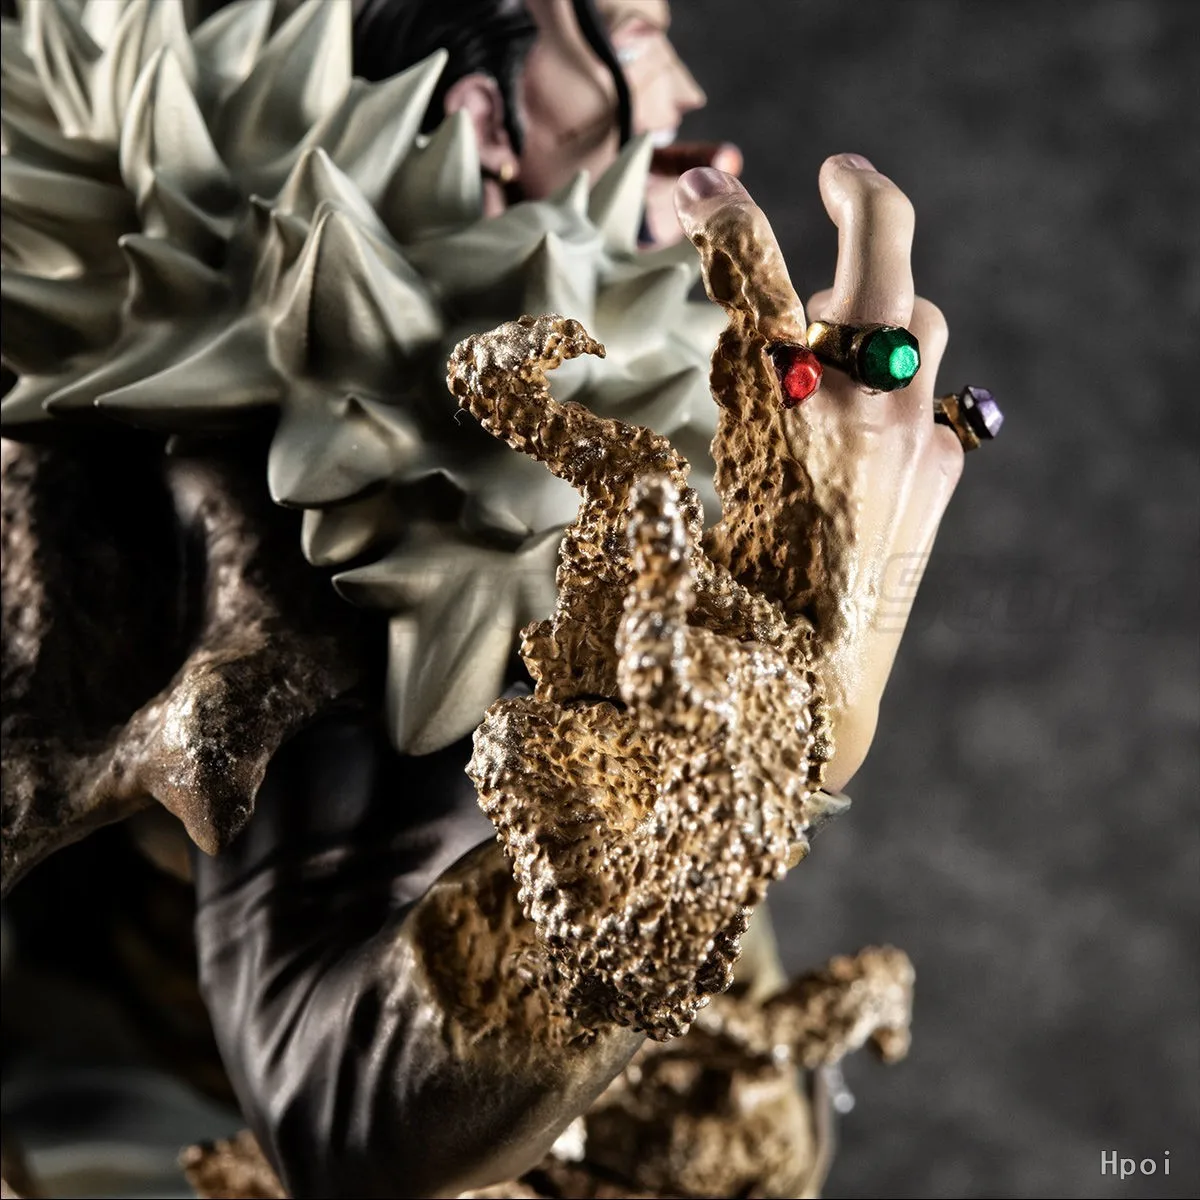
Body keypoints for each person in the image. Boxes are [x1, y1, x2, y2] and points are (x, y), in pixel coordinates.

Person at [0, 1, 976, 1196]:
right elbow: (347, 1105)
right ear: (478, 116)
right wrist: (732, 766)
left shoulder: (590, 473)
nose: (682, 88)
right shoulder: (322, 514)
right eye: (628, 33)